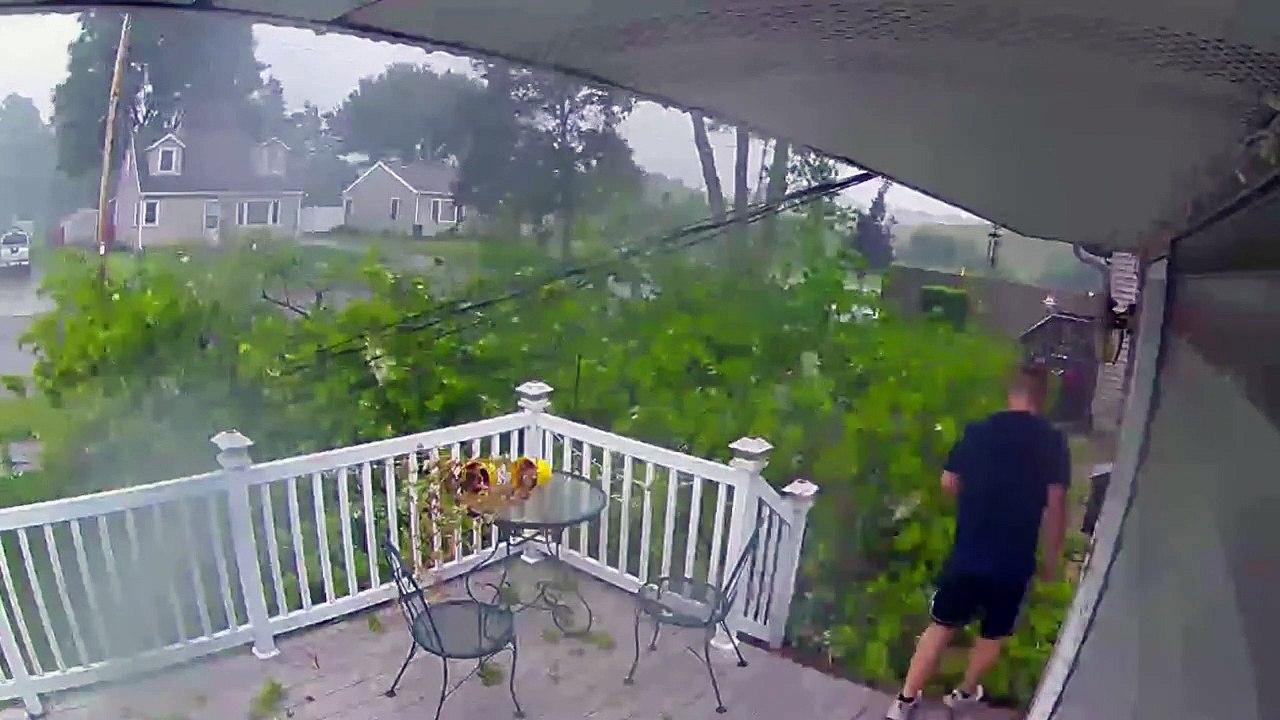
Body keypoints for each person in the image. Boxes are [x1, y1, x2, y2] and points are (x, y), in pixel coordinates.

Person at [886, 365, 1071, 719]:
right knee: (994, 632)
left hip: (969, 551)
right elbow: (1057, 504)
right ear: (1043, 398)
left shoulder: (979, 431)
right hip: (1013, 560)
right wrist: (1051, 558)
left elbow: (948, 482)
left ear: (1010, 392)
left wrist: (978, 496)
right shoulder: (1052, 442)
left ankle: (904, 701)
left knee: (941, 625)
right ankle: (965, 691)